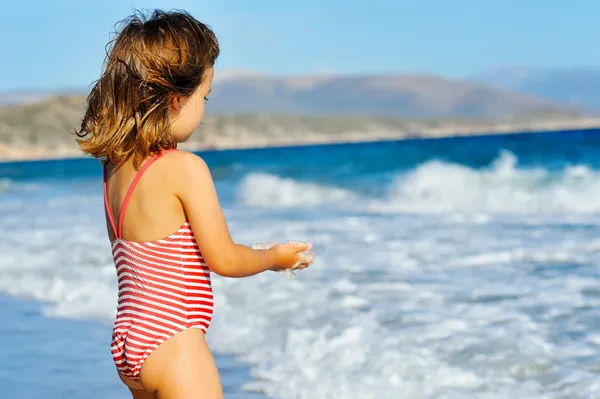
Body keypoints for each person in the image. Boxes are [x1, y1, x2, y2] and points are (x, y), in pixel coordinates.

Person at [75, 9, 315, 399]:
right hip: (174, 341)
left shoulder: (115, 170)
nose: (203, 110)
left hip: (129, 343)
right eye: (203, 97)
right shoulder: (185, 168)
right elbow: (225, 260)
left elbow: (159, 253)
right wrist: (275, 257)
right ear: (174, 100)